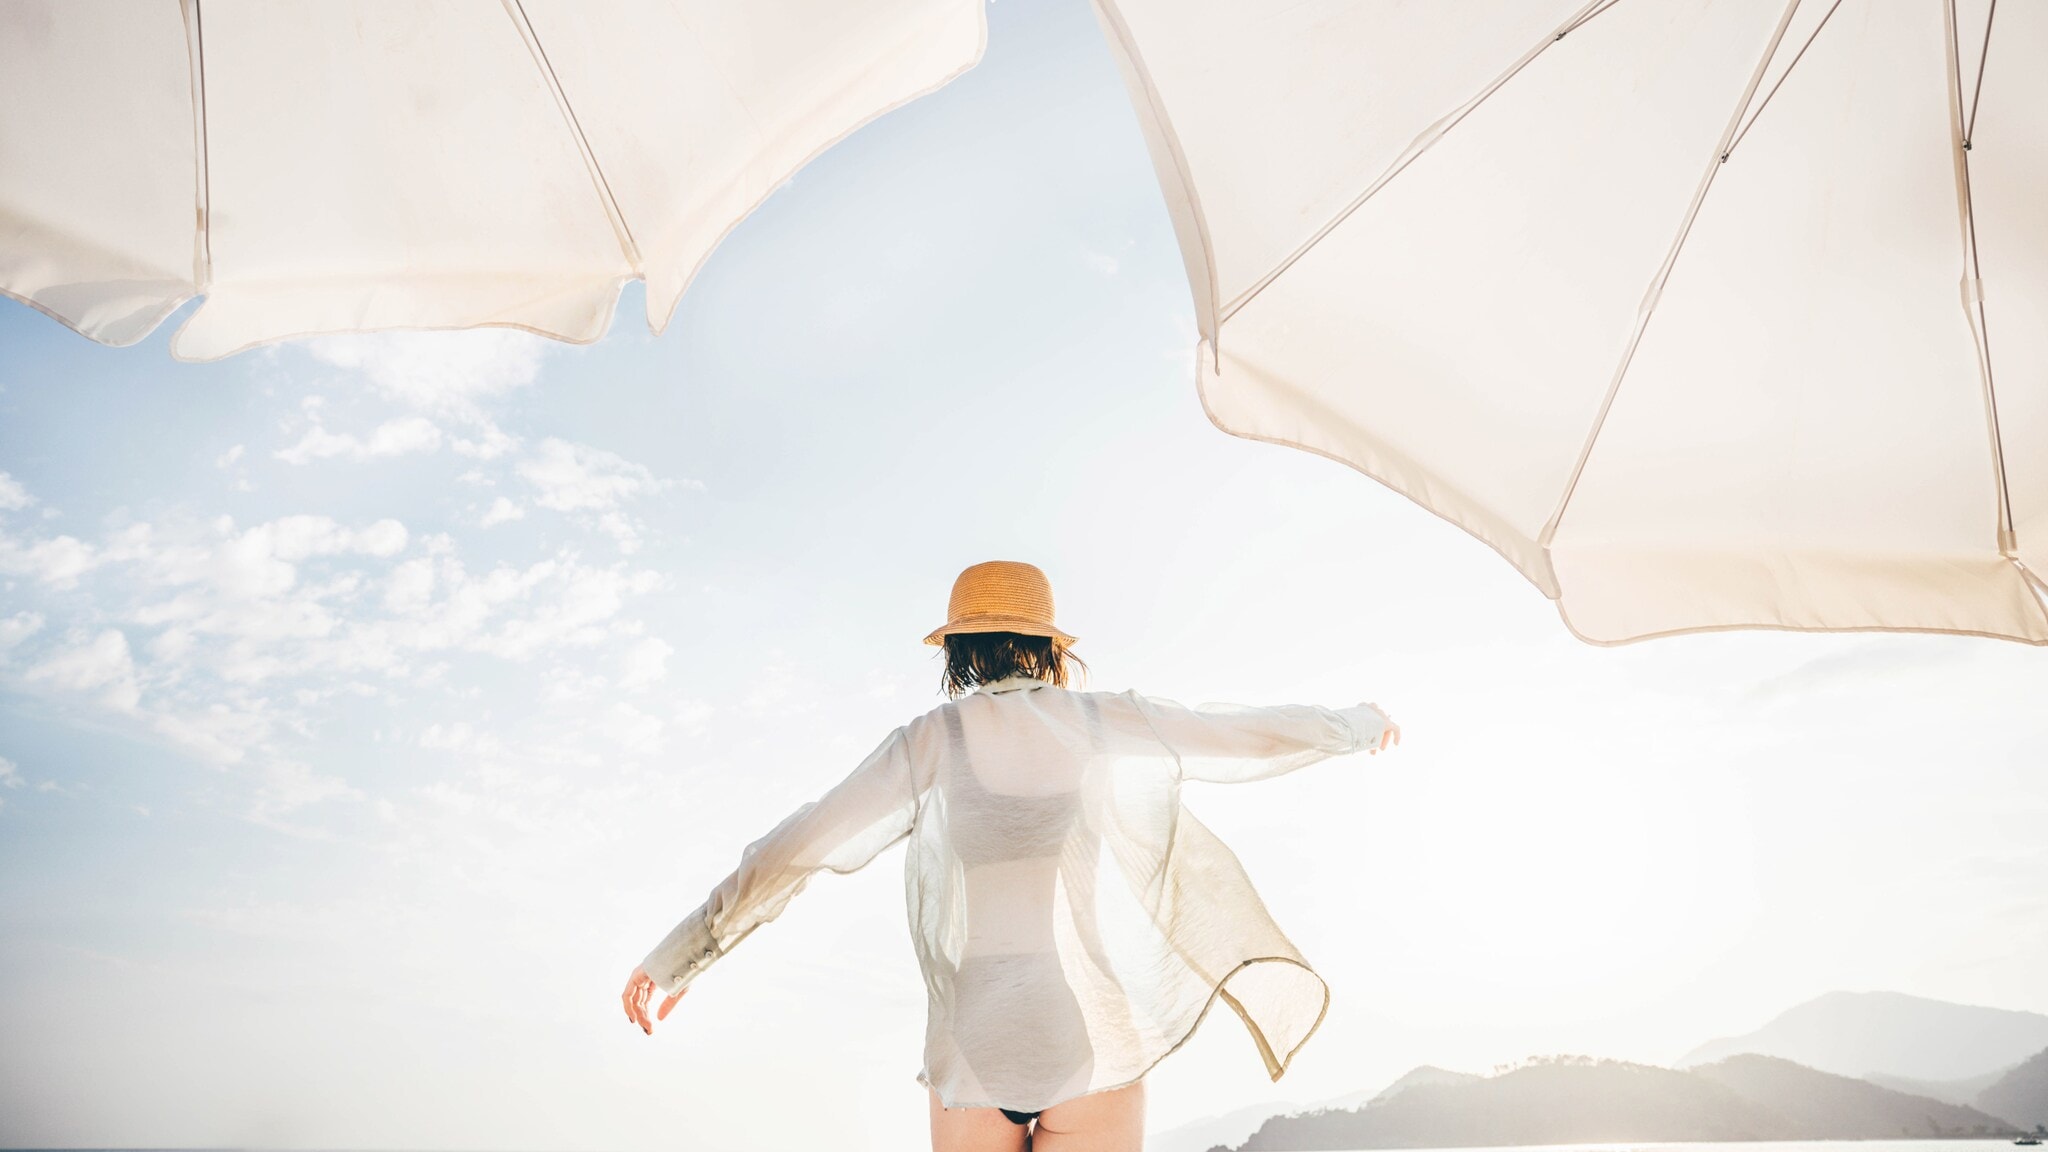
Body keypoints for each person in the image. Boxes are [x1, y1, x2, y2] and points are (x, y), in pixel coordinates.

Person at [622, 560, 1398, 1151]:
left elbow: (795, 846)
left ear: (958, 651)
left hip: (974, 1046)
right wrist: (1359, 724)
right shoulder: (1101, 722)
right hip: (1079, 1031)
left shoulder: (929, 742)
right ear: (1046, 647)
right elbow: (1246, 733)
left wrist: (684, 955)